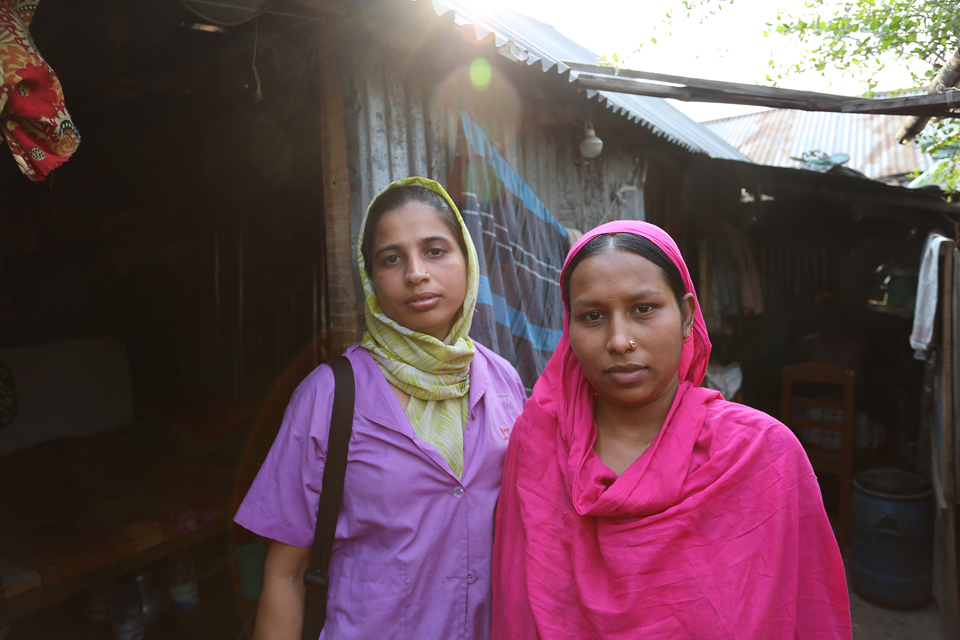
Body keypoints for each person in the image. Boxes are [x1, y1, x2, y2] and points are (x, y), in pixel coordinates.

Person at [492, 220, 851, 639]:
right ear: (569, 328)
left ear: (686, 316)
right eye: (592, 316)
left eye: (643, 309)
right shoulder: (538, 443)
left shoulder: (761, 454)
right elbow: (513, 606)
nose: (619, 340)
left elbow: (806, 614)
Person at [236, 177, 527, 640]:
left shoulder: (505, 381)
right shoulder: (330, 397)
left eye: (435, 250)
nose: (416, 273)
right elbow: (285, 574)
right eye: (392, 258)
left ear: (467, 260)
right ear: (370, 277)